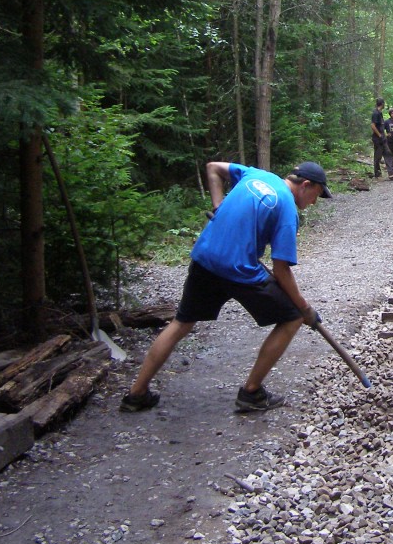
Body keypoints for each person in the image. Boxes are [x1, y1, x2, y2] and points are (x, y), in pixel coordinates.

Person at [121, 161, 332, 414]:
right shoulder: (287, 209)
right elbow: (281, 270)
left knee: (181, 323)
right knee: (293, 318)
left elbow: (213, 167)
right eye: (317, 194)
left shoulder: (255, 175)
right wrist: (304, 307)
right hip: (238, 271)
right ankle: (251, 393)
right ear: (306, 185)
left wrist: (217, 205)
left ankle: (136, 394)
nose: (314, 202)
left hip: (206, 258)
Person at [371, 97, 393, 180]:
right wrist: (379, 135)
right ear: (382, 104)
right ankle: (377, 174)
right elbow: (372, 125)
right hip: (378, 139)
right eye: (384, 103)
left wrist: (385, 135)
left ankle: (391, 173)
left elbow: (380, 126)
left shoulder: (379, 113)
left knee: (388, 154)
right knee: (378, 157)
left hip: (383, 139)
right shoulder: (375, 113)